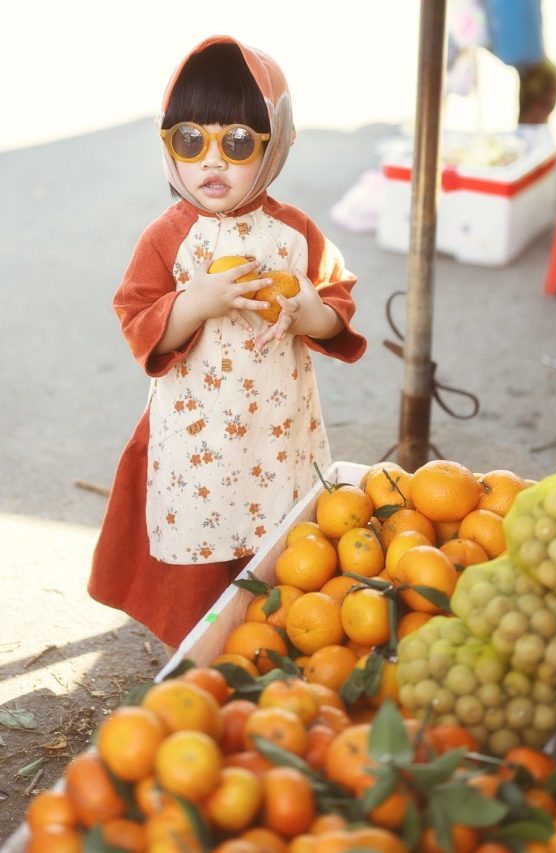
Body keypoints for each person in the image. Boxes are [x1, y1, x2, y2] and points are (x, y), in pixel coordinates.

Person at [88, 35, 367, 653]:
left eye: (237, 142)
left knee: (279, 538)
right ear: (168, 146)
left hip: (278, 426)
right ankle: (198, 652)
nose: (211, 162)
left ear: (276, 143)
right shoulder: (168, 236)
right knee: (201, 535)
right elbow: (137, 316)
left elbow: (337, 306)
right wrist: (195, 303)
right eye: (190, 141)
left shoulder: (294, 234)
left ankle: (270, 637)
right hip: (199, 438)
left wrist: (311, 313)